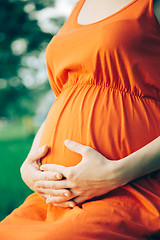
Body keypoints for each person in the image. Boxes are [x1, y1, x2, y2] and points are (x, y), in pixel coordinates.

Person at [0, 0, 160, 239]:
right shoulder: (81, 5)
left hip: (132, 187)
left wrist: (114, 173)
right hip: (57, 199)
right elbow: (65, 99)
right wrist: (29, 164)